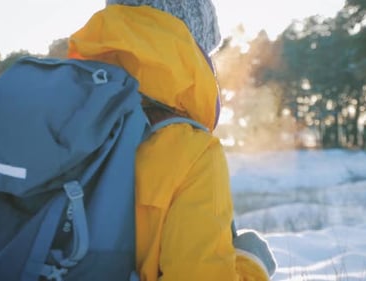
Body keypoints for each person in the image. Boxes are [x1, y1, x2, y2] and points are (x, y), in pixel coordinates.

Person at [67, 0, 277, 280]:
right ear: (191, 49)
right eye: (207, 51)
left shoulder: (49, 119)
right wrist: (252, 264)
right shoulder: (191, 152)